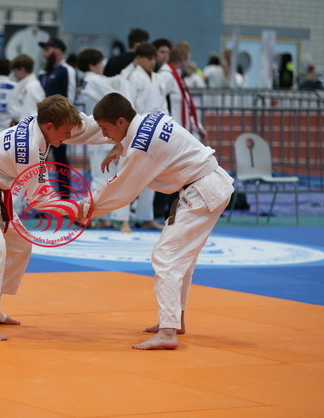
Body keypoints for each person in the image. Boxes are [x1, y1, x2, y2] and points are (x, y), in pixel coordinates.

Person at [0, 94, 110, 341]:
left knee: (20, 243)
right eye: (65, 132)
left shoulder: (44, 122)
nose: (68, 137)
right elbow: (40, 199)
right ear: (49, 127)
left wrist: (122, 137)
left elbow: (84, 126)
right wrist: (78, 209)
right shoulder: (29, 149)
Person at [90, 92, 234, 349]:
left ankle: (168, 332)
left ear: (121, 121)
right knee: (182, 258)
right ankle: (175, 320)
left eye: (105, 128)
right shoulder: (150, 118)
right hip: (209, 183)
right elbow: (148, 143)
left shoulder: (140, 147)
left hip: (201, 189)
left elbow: (122, 189)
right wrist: (120, 146)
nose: (103, 134)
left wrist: (84, 207)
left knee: (166, 257)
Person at [76, 48, 131, 232]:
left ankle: (103, 218)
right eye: (100, 63)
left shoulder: (90, 81)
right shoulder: (93, 80)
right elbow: (116, 98)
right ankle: (91, 214)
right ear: (93, 65)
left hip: (99, 133)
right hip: (104, 133)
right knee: (109, 177)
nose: (103, 66)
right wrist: (124, 77)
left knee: (105, 177)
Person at [124, 43, 168, 231]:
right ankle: (123, 218)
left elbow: (163, 106)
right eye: (149, 58)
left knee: (151, 176)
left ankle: (146, 217)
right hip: (138, 130)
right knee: (128, 176)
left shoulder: (158, 79)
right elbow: (129, 105)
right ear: (139, 58)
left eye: (153, 59)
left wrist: (166, 126)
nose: (152, 62)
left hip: (156, 130)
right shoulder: (133, 77)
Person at [38, 37, 76, 199]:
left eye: (48, 50)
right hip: (43, 123)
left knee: (60, 159)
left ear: (58, 51)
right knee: (39, 159)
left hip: (59, 122)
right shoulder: (44, 73)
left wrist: (67, 121)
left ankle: (65, 196)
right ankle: (39, 195)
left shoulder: (66, 70)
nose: (44, 54)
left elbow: (70, 95)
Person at [8, 54, 46, 124]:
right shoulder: (25, 85)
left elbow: (30, 113)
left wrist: (22, 128)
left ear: (22, 69)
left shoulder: (32, 86)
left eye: (15, 71)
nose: (14, 75)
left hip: (24, 125)